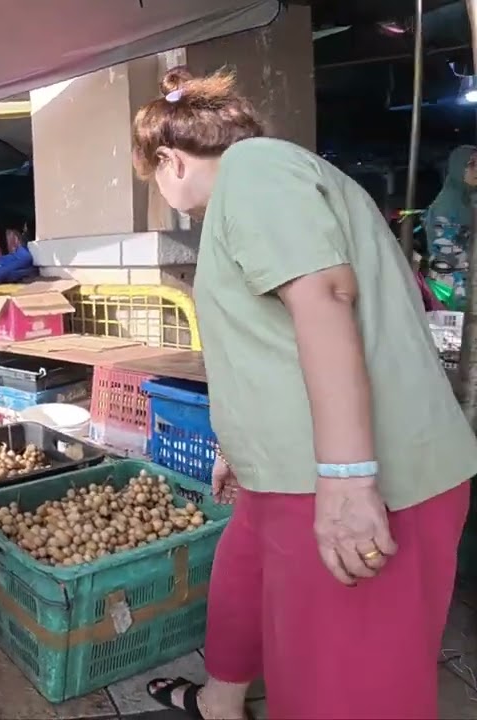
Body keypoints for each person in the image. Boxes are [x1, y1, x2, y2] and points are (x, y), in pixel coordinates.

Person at [131, 67, 477, 720]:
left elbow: (324, 299)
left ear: (170, 160)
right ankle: (220, 701)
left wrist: (348, 481)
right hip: (297, 469)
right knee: (247, 570)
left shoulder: (254, 171)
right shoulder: (271, 183)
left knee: (342, 695)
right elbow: (274, 341)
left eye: (156, 180)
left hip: (367, 476)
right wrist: (242, 445)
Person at [424, 145, 477, 308]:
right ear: (458, 168)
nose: (476, 170)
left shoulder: (469, 200)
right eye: (471, 164)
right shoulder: (447, 205)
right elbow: (448, 254)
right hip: (452, 289)